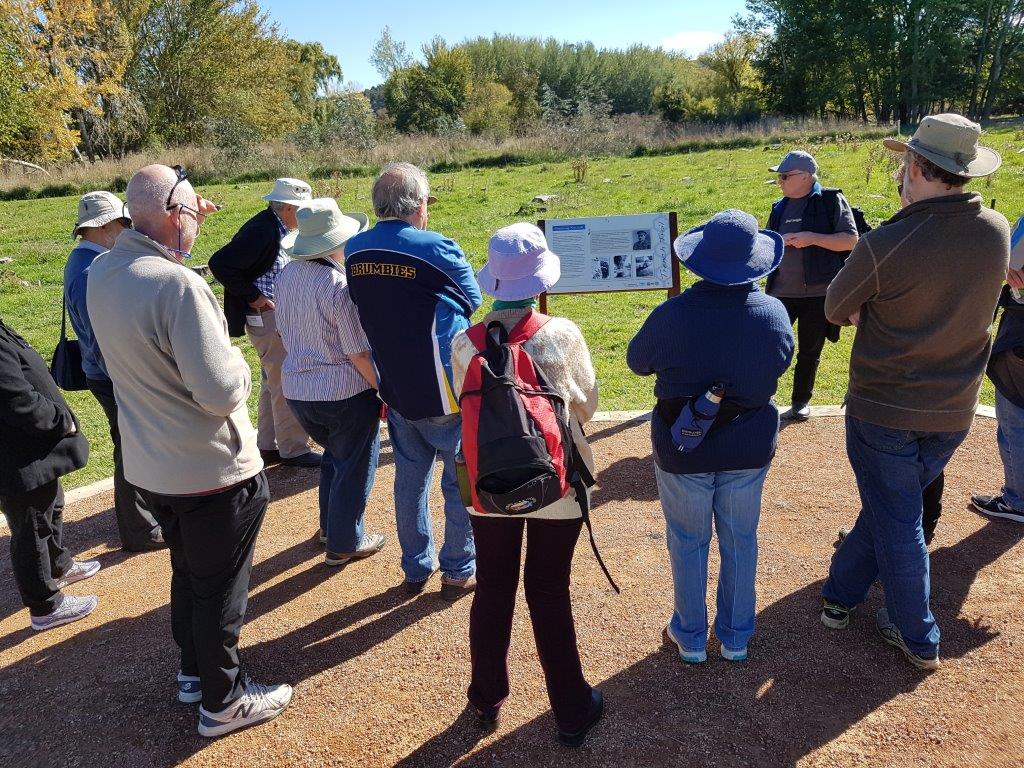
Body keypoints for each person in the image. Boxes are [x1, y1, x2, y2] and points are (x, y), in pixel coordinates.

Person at [87, 164, 291, 736]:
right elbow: (221, 390)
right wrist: (247, 376)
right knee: (222, 588)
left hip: (150, 465)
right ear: (173, 215)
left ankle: (194, 674)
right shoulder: (177, 284)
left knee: (190, 573)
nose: (200, 222)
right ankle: (222, 702)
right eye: (194, 213)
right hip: (210, 468)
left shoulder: (102, 272)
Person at [820, 114, 1009, 670]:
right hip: (954, 408)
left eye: (906, 164)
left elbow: (835, 308)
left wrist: (870, 309)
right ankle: (840, 595)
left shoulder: (887, 242)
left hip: (885, 406)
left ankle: (917, 633)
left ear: (919, 168)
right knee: (892, 506)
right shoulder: (995, 229)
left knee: (898, 519)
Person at [450, 223, 604, 747]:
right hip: (555, 484)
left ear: (492, 280)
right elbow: (586, 404)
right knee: (547, 589)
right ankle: (570, 707)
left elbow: (458, 402)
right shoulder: (559, 334)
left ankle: (486, 695)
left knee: (493, 587)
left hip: (487, 483)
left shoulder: (461, 343)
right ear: (540, 281)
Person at [627, 209, 794, 664]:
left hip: (684, 444)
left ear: (699, 261)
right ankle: (736, 636)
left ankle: (691, 635)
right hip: (748, 444)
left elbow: (637, 362)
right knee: (741, 538)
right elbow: (779, 363)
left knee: (687, 538)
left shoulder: (672, 315)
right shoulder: (773, 314)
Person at [345, 162, 482, 600]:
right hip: (443, 384)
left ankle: (414, 566)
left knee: (409, 478)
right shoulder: (437, 247)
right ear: (419, 204)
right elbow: (472, 300)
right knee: (457, 479)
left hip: (394, 383)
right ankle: (458, 566)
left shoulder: (355, 250)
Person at [274, 198, 388, 565]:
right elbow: (357, 352)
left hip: (298, 390)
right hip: (344, 392)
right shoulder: (338, 285)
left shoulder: (287, 275)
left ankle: (329, 527)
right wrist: (383, 388)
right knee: (355, 467)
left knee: (334, 459)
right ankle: (344, 542)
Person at [63, 190, 165, 551]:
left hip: (105, 372)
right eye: (123, 223)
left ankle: (146, 518)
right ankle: (139, 530)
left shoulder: (85, 261)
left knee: (133, 443)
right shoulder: (91, 269)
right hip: (112, 375)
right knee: (132, 447)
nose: (126, 229)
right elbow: (99, 336)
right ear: (104, 226)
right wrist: (128, 377)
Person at [209, 177, 321, 468]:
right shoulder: (262, 230)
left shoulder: (274, 225)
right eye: (300, 209)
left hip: (272, 315)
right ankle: (293, 448)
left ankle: (269, 444)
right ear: (284, 207)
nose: (304, 215)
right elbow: (220, 263)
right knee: (285, 378)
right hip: (268, 316)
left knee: (274, 379)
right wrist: (254, 296)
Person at [0, 316, 99, 631]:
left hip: (29, 451)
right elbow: (15, 399)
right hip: (16, 456)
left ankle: (59, 564)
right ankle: (46, 606)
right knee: (31, 528)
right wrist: (60, 420)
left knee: (51, 502)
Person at [766, 150, 859, 421]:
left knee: (809, 352)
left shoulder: (831, 200)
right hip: (780, 293)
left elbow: (850, 240)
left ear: (806, 176)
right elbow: (769, 244)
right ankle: (762, 398)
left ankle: (800, 401)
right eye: (779, 177)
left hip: (818, 294)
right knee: (770, 349)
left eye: (785, 176)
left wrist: (811, 238)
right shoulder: (779, 206)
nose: (780, 181)